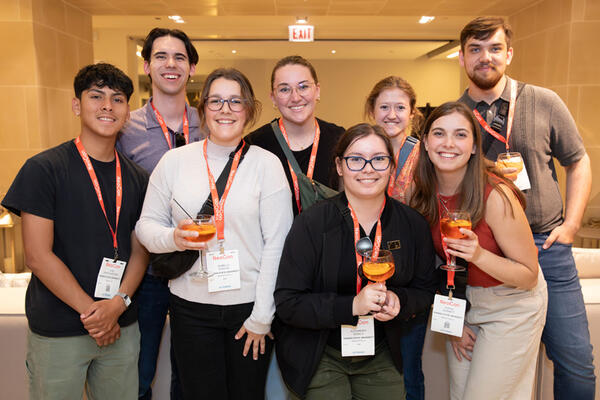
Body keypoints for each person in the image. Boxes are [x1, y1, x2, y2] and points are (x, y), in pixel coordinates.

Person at [457, 17, 595, 399]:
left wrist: (571, 224)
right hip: (481, 253)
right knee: (492, 364)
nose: (486, 58)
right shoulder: (455, 116)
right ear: (462, 58)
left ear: (509, 54)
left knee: (575, 361)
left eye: (495, 48)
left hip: (546, 247)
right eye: (475, 49)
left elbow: (579, 160)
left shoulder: (543, 101)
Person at [135, 67, 293, 400]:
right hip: (190, 308)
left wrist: (262, 316)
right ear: (203, 107)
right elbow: (145, 226)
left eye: (235, 101)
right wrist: (173, 239)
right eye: (216, 101)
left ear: (248, 109)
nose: (225, 109)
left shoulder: (267, 165)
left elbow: (277, 245)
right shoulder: (174, 162)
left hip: (248, 309)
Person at [1, 63, 149, 400]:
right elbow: (37, 256)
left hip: (121, 328)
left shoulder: (138, 178)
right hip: (60, 330)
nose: (107, 107)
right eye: (96, 97)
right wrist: (95, 314)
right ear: (76, 105)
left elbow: (140, 250)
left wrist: (117, 305)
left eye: (117, 99)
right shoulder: (43, 169)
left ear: (127, 110)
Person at [274, 123, 438, 399]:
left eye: (378, 159)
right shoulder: (312, 223)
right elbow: (288, 303)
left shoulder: (412, 225)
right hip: (320, 351)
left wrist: (401, 302)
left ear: (391, 165)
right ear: (339, 166)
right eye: (356, 159)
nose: (368, 168)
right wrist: (351, 305)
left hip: (383, 353)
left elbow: (424, 290)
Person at [410, 101, 548, 399]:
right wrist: (452, 324)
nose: (448, 143)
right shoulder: (422, 194)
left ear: (474, 147)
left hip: (512, 304)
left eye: (460, 135)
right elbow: (431, 269)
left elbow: (528, 275)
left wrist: (479, 255)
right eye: (439, 134)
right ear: (425, 142)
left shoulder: (496, 195)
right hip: (463, 303)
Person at [116, 27, 202, 400]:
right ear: (147, 66)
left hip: (200, 268)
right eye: (161, 57)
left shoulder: (212, 121)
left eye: (179, 57)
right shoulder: (124, 126)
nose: (171, 64)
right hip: (145, 269)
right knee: (138, 370)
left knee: (192, 372)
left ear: (192, 67)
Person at [364, 76, 427, 400]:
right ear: (372, 111)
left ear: (412, 112)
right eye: (384, 106)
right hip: (364, 276)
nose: (392, 114)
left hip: (409, 277)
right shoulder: (360, 152)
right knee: (368, 369)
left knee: (408, 369)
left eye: (400, 107)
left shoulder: (426, 155)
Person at [247, 55, 344, 215]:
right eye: (284, 89)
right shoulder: (255, 144)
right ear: (273, 98)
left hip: (329, 238)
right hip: (275, 240)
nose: (296, 97)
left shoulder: (340, 139)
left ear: (317, 91)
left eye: (303, 87)